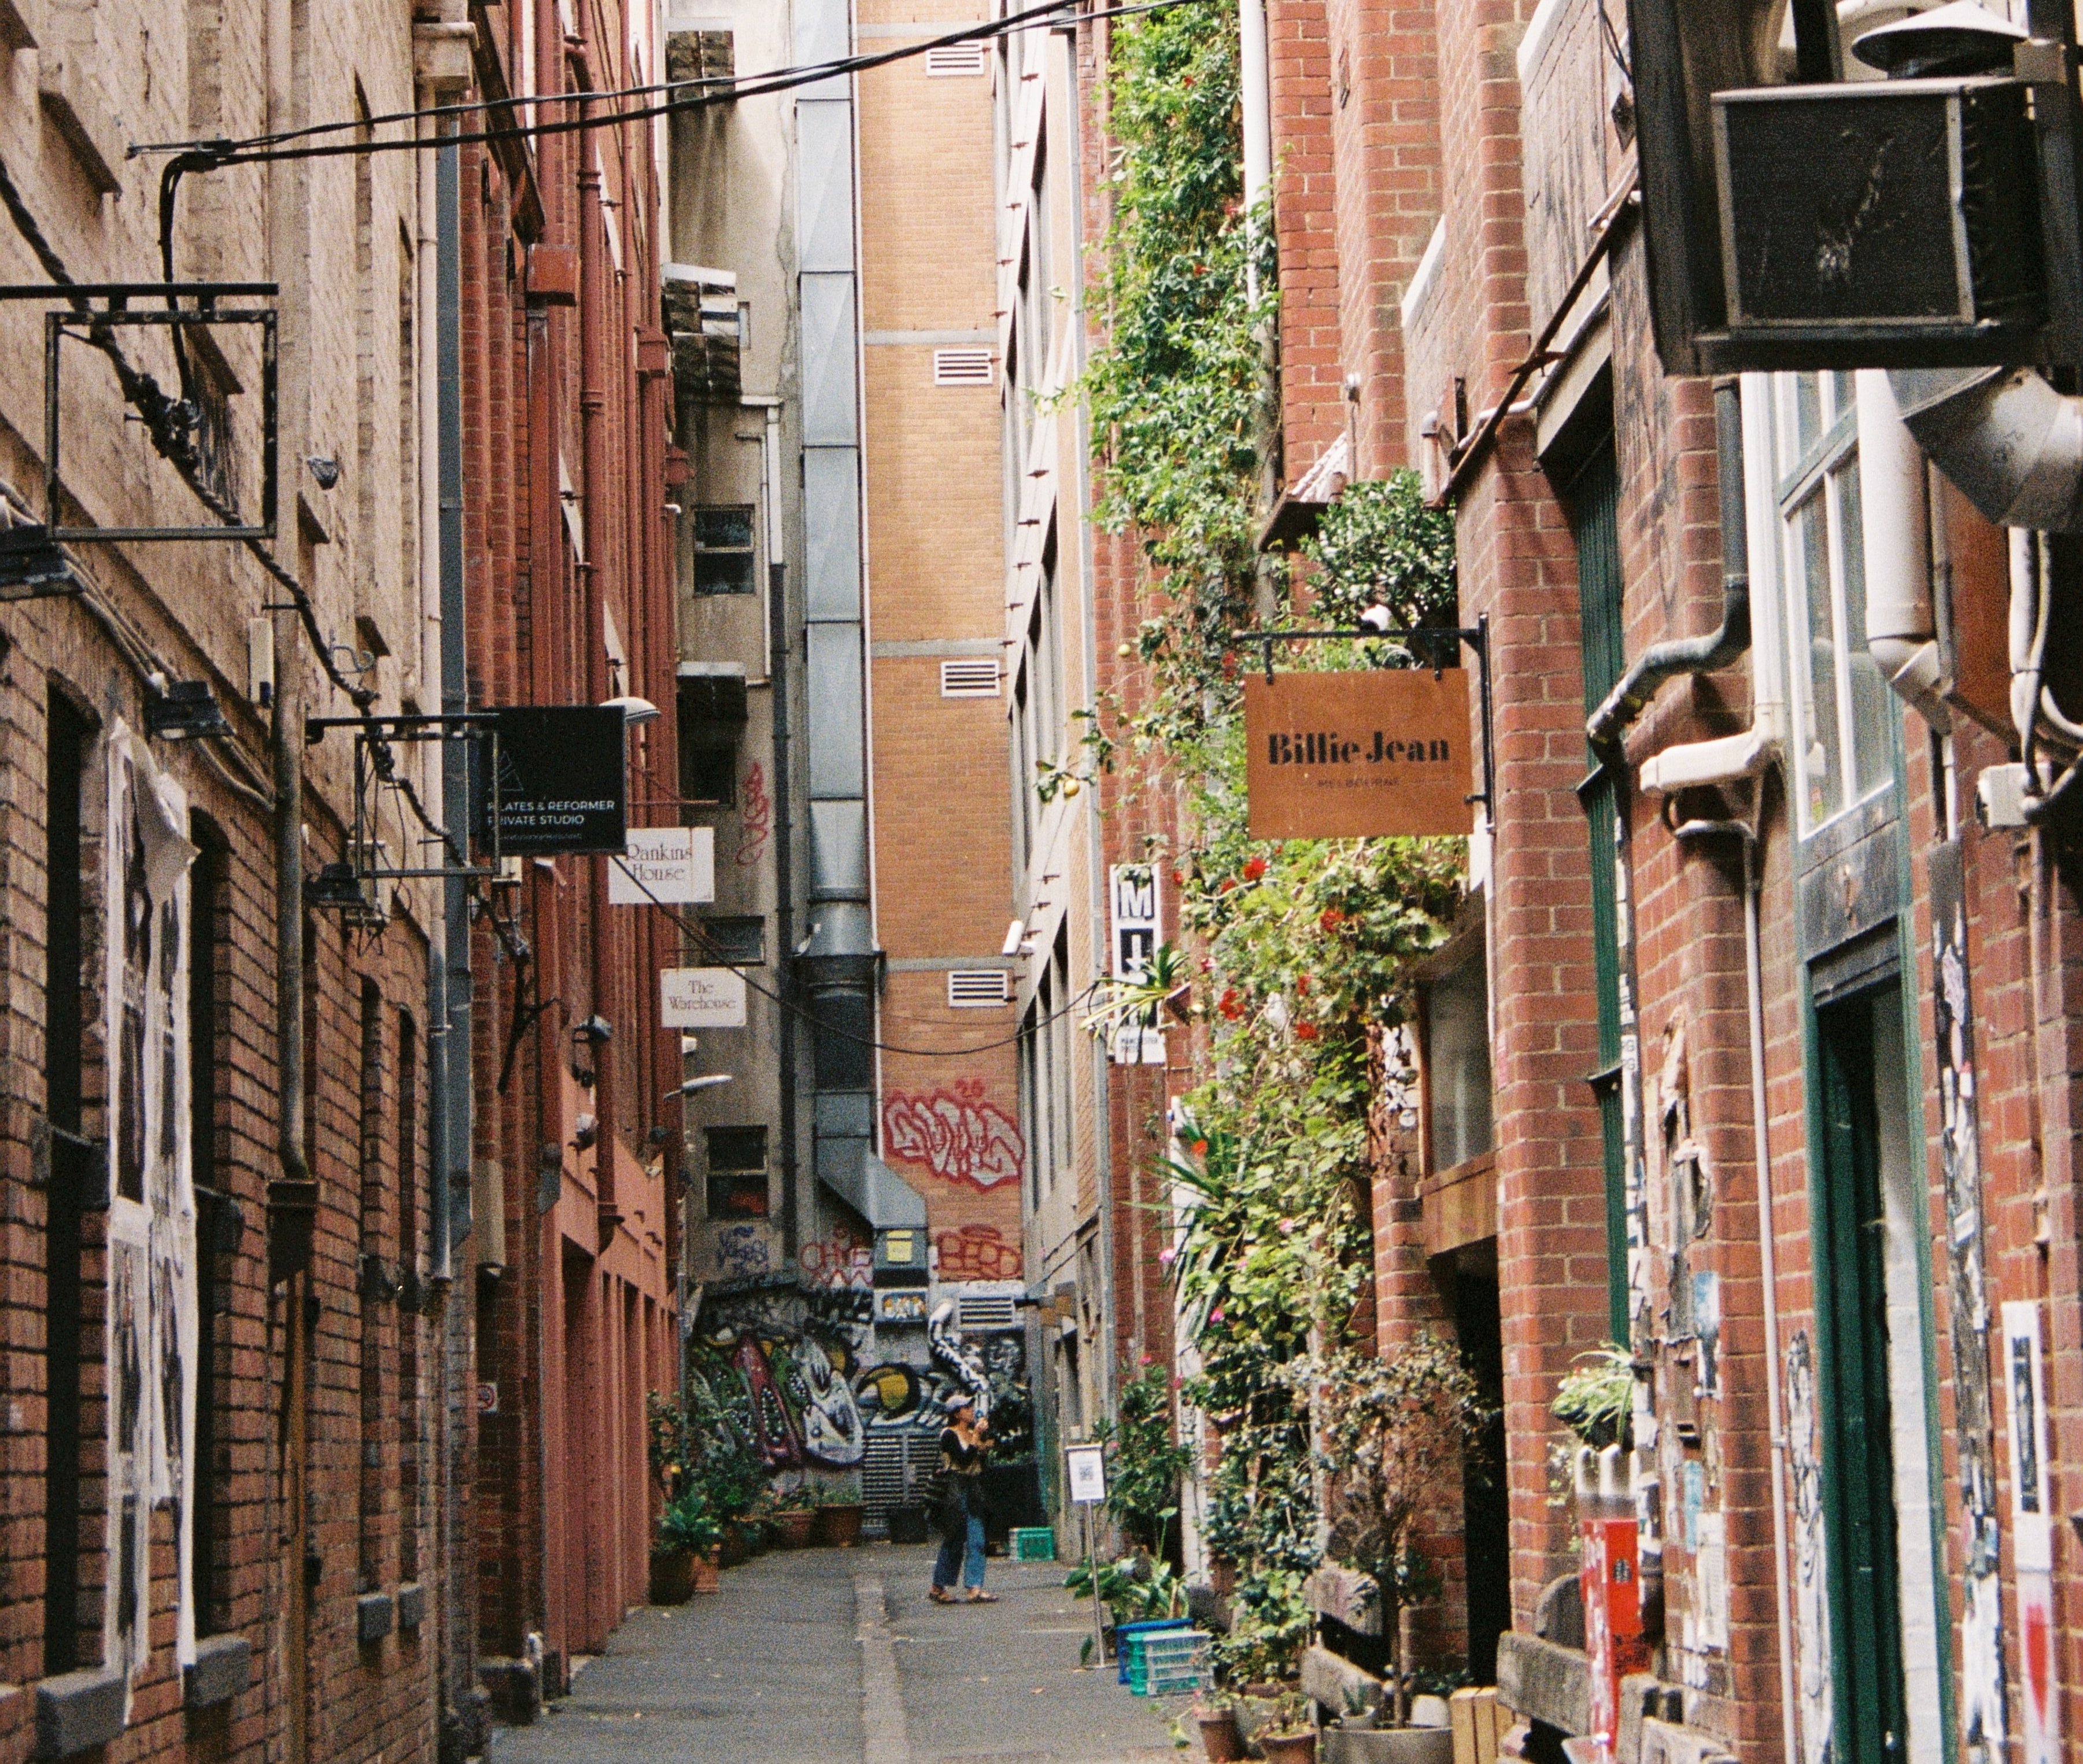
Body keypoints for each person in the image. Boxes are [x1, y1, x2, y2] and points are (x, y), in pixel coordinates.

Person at [929, 1394, 996, 1603]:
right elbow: (964, 1459)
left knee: (977, 1539)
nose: (971, 1410)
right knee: (954, 1538)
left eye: (971, 1407)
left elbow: (982, 1459)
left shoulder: (971, 1433)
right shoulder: (949, 1435)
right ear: (957, 1413)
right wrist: (976, 1436)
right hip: (955, 1490)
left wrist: (982, 1436)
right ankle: (938, 1586)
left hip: (973, 1489)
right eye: (966, 1408)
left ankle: (974, 1587)